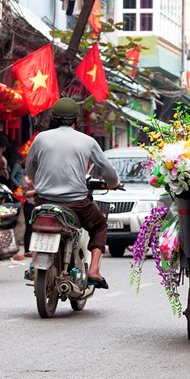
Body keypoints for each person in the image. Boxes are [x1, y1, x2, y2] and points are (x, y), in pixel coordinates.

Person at [25, 98, 121, 289]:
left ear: (53, 118)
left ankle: (34, 264)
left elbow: (30, 168)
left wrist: (41, 183)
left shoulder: (40, 138)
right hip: (76, 203)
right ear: (76, 119)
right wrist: (114, 183)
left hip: (43, 200)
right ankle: (94, 270)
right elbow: (108, 171)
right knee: (100, 225)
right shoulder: (87, 141)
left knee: (36, 224)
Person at [21, 174, 36, 263]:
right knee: (29, 227)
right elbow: (25, 193)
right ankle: (27, 250)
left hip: (37, 204)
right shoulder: (26, 179)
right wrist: (36, 191)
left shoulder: (40, 177)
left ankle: (34, 248)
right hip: (29, 205)